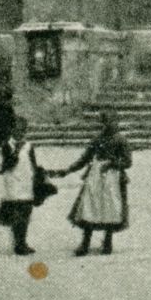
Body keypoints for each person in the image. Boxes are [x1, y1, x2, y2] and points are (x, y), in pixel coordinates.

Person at [58, 109, 132, 254]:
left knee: (110, 207)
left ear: (116, 122)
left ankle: (108, 242)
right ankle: (85, 243)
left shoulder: (121, 140)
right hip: (96, 176)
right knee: (89, 206)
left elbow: (128, 162)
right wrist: (68, 170)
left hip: (113, 178)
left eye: (111, 121)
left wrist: (112, 163)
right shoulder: (97, 139)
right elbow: (85, 158)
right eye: (105, 121)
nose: (108, 124)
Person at [0, 127, 50, 254]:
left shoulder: (29, 146)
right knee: (16, 213)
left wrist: (38, 178)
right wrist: (16, 151)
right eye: (17, 131)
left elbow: (33, 164)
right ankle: (18, 244)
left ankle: (23, 242)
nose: (20, 134)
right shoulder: (6, 145)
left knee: (26, 212)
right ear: (12, 131)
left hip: (27, 183)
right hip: (13, 183)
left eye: (22, 131)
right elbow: (6, 166)